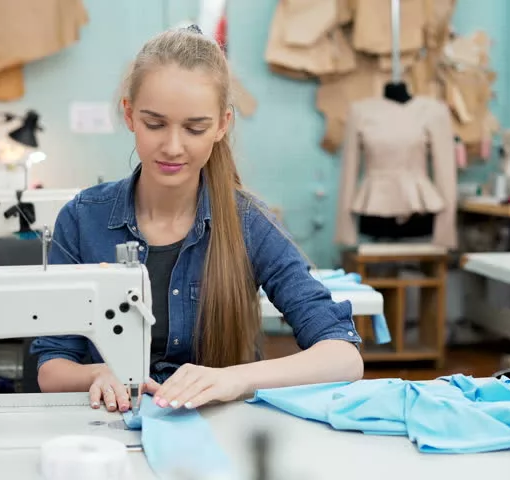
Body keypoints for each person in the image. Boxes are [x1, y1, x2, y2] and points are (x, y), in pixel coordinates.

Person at [29, 25, 363, 414]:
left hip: (221, 432)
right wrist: (96, 373)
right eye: (155, 124)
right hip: (109, 428)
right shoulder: (82, 219)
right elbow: (51, 367)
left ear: (222, 125)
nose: (172, 146)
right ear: (129, 114)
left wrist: (235, 378)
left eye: (195, 128)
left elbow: (343, 356)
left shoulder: (249, 223)